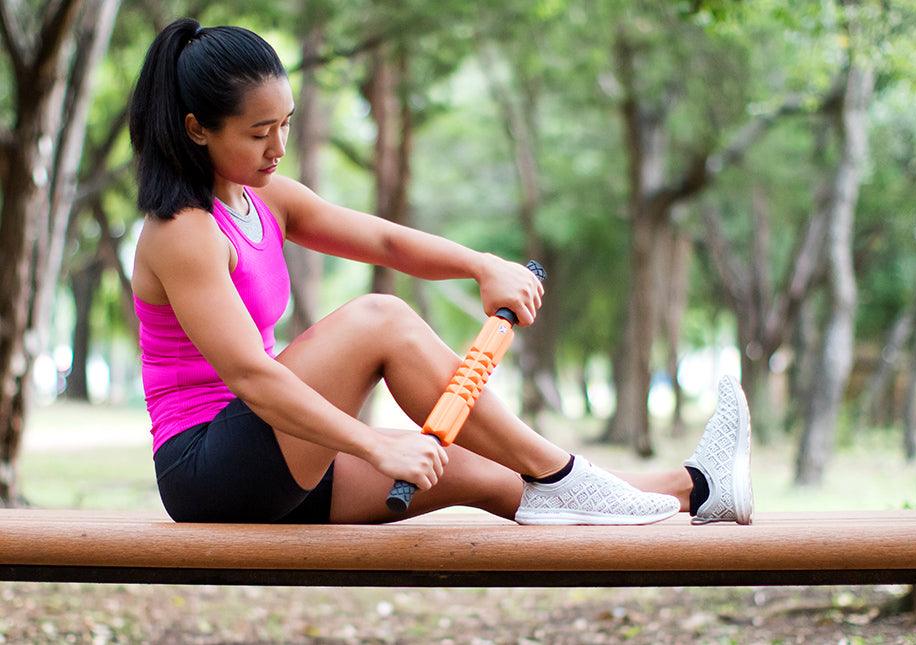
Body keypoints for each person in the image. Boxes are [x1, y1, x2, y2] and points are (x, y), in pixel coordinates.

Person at [129, 18, 754, 527]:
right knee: (381, 317)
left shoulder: (267, 198)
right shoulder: (183, 230)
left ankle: (696, 489)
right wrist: (375, 443)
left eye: (286, 124)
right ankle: (557, 470)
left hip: (282, 457)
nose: (279, 148)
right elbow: (252, 376)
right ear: (197, 130)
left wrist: (481, 266)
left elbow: (382, 241)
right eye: (259, 132)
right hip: (210, 471)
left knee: (494, 476)